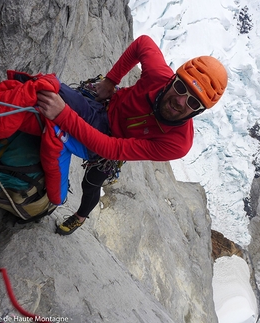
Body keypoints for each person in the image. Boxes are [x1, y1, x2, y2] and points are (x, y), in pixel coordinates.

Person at [36, 35, 228, 235]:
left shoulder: (178, 143)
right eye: (181, 87)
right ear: (173, 79)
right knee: (47, 87)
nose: (180, 101)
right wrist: (111, 80)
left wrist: (63, 115)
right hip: (103, 110)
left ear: (198, 112)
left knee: (91, 183)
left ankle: (80, 217)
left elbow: (113, 148)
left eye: (193, 102)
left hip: (114, 145)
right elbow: (143, 43)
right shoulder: (157, 76)